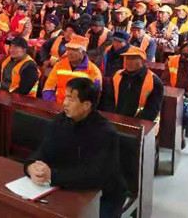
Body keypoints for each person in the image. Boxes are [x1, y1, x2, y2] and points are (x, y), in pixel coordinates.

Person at [25, 78, 126, 218]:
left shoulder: (105, 133)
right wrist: (30, 166)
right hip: (67, 184)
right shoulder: (61, 121)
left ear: (86, 105)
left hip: (103, 194)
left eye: (71, 99)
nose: (65, 103)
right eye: (65, 97)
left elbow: (95, 176)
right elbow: (44, 150)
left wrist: (53, 175)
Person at [101, 47, 163, 122]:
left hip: (141, 123)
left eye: (133, 58)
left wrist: (132, 122)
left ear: (143, 61)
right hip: (116, 120)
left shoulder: (154, 81)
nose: (129, 61)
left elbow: (152, 110)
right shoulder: (117, 76)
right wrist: (113, 117)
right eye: (127, 58)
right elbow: (109, 99)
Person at [43, 34, 102, 103]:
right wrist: (53, 103)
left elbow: (94, 96)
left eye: (74, 50)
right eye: (68, 49)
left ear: (83, 53)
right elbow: (48, 88)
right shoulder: (59, 65)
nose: (70, 53)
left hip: (78, 107)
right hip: (57, 104)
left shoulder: (93, 71)